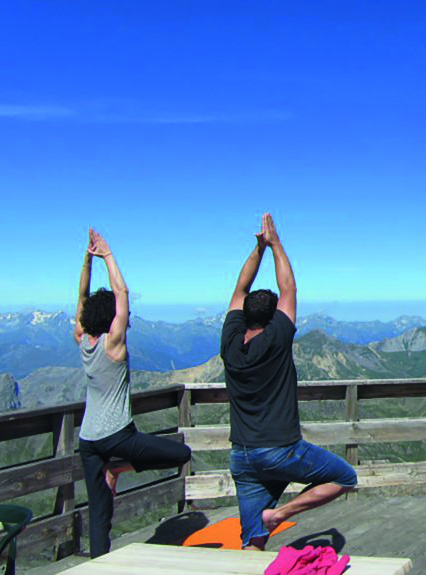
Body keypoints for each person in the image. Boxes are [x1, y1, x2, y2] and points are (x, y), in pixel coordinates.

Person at [221, 213, 357, 551]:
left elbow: (240, 288)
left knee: (253, 540)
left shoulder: (229, 341)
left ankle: (262, 533)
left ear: (244, 316)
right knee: (345, 477)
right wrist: (276, 243)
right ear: (272, 319)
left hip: (242, 455)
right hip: (280, 450)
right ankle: (280, 514)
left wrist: (258, 249)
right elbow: (289, 288)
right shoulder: (277, 337)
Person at [74, 229, 191, 558]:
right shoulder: (114, 344)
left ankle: (99, 564)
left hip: (88, 441)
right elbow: (122, 292)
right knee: (180, 454)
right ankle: (119, 469)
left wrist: (87, 260)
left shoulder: (83, 340)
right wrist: (107, 254)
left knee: (99, 513)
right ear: (112, 317)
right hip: (118, 437)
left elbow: (81, 298)